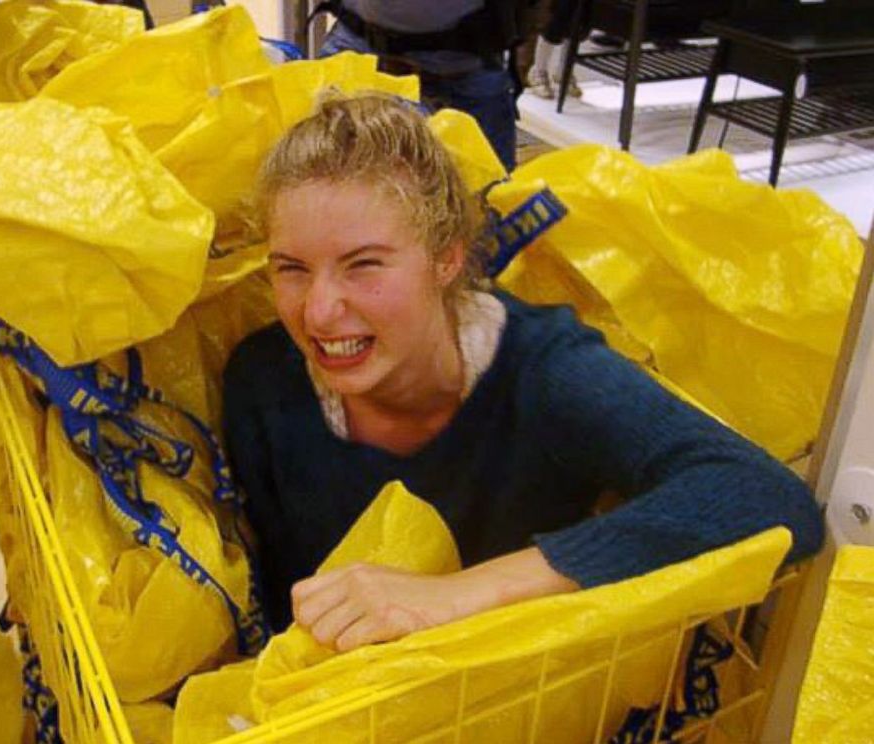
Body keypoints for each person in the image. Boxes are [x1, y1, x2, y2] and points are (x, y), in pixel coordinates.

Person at [222, 94, 824, 653]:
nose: (319, 310)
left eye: (364, 265)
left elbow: (766, 497)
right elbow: (281, 598)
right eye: (292, 269)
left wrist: (455, 596)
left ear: (446, 258)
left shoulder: (545, 371)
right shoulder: (263, 383)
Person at [313, 1, 530, 171]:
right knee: (316, 160)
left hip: (463, 62)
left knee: (494, 191)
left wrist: (526, 42)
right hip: (361, 43)